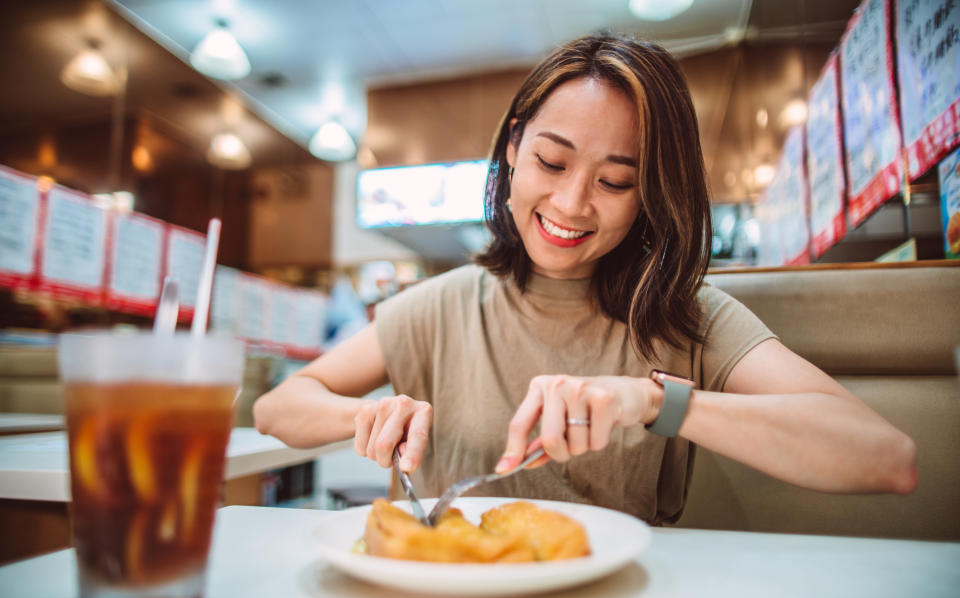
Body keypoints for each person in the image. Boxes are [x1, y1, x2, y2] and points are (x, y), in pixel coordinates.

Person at [254, 35, 916, 525]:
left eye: (615, 181)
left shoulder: (686, 317)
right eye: (550, 161)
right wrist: (366, 414)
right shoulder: (440, 305)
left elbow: (886, 457)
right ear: (514, 148)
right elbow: (277, 408)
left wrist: (655, 404)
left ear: (649, 193)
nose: (572, 204)